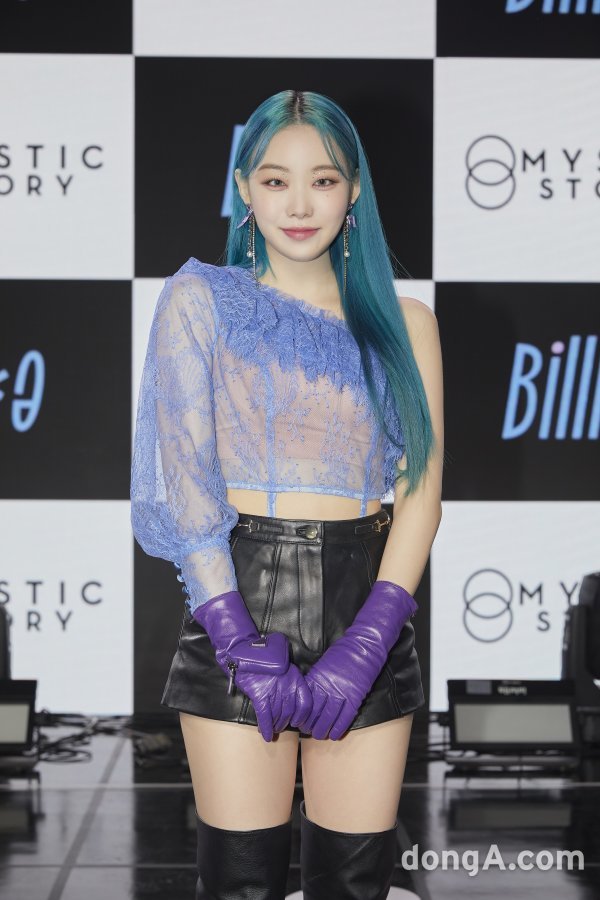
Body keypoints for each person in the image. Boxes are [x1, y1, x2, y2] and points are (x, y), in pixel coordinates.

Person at [130, 89, 443, 900]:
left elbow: (422, 496)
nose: (299, 205)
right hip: (238, 604)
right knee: (240, 885)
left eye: (323, 180)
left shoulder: (407, 323)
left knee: (354, 885)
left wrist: (370, 639)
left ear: (354, 190)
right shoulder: (200, 301)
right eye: (275, 181)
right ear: (243, 187)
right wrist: (235, 638)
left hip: (367, 607)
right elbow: (188, 487)